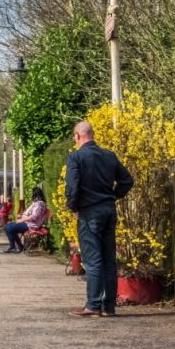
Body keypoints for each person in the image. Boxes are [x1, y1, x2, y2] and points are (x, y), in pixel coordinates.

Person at [65, 120, 134, 318]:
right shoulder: (109, 156)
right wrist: (112, 196)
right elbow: (127, 180)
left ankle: (93, 305)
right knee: (108, 259)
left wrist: (74, 207)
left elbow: (72, 187)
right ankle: (109, 306)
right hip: (108, 211)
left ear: (78, 136)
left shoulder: (76, 158)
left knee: (93, 259)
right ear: (92, 134)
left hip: (89, 213)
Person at [4, 187, 49, 253]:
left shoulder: (39, 204)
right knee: (8, 227)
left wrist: (21, 220)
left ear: (35, 194)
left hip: (32, 224)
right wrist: (22, 216)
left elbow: (34, 217)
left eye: (32, 193)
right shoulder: (37, 203)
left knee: (9, 228)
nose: (31, 195)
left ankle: (16, 246)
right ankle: (16, 246)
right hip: (28, 222)